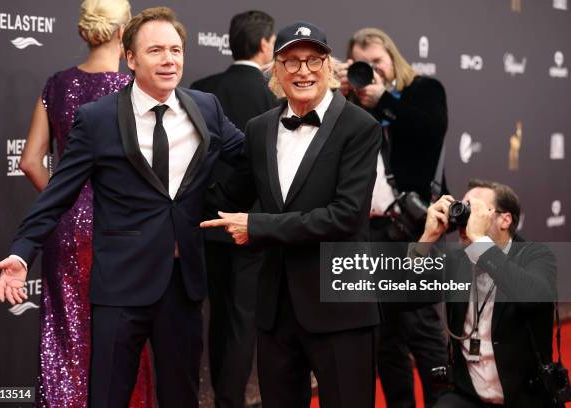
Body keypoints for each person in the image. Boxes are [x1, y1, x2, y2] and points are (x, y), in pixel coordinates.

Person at [0, 7, 244, 408]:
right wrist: (22, 252)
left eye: (176, 50)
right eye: (156, 50)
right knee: (108, 396)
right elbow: (57, 193)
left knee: (181, 396)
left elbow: (249, 159)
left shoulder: (206, 108)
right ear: (131, 58)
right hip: (120, 285)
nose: (169, 60)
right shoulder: (98, 119)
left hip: (183, 283)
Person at [201, 21, 382, 408]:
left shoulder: (360, 127)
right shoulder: (259, 128)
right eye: (292, 62)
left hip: (340, 306)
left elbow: (345, 216)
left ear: (329, 66)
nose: (303, 72)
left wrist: (258, 226)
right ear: (275, 69)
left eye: (313, 60)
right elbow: (232, 196)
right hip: (275, 308)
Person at [17, 0, 154, 406]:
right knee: (123, 333)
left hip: (65, 227)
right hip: (120, 230)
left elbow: (29, 161)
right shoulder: (133, 90)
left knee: (66, 336)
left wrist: (66, 201)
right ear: (121, 33)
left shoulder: (57, 84)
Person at [337, 27, 449, 408]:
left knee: (423, 329)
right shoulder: (349, 104)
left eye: (378, 63)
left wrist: (384, 98)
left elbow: (430, 129)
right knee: (385, 336)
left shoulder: (423, 90)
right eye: (363, 66)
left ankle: (445, 402)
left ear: (393, 59)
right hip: (370, 232)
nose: (373, 72)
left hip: (416, 231)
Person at [190, 10, 276, 408]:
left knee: (218, 314)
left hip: (205, 219)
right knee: (242, 319)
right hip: (252, 225)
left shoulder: (200, 88)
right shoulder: (274, 95)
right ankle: (229, 400)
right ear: (265, 45)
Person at [411, 179, 556, 407]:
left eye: (476, 211)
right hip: (468, 395)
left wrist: (480, 242)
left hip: (524, 396)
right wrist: (427, 237)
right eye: (464, 209)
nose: (466, 220)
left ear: (504, 220)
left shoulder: (536, 256)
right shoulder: (457, 262)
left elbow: (534, 297)